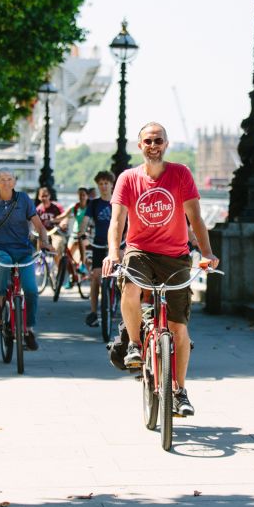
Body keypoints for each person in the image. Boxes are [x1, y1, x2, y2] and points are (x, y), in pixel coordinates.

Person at [102, 123, 219, 417]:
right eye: (148, 141)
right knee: (130, 286)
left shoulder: (180, 174)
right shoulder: (128, 178)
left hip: (176, 256)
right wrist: (113, 253)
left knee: (179, 327)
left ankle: (179, 391)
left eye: (158, 140)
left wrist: (207, 253)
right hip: (139, 252)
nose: (153, 145)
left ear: (166, 144)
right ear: (139, 146)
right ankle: (135, 345)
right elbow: (117, 221)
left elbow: (195, 217)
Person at [0, 169, 51, 350]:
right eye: (2, 179)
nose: (6, 182)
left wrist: (45, 242)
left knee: (31, 290)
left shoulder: (23, 199)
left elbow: (39, 226)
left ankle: (29, 329)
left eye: (9, 179)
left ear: (15, 182)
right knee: (4, 262)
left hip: (23, 250)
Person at [82, 172, 115, 327]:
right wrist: (82, 234)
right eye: (100, 183)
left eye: (106, 183)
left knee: (123, 277)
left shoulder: (119, 202)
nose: (103, 186)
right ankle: (94, 312)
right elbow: (86, 221)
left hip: (117, 244)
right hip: (99, 244)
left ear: (112, 185)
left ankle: (120, 302)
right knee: (96, 276)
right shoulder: (94, 204)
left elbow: (128, 223)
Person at [58, 187, 90, 272]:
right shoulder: (75, 207)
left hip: (85, 235)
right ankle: (72, 275)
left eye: (83, 195)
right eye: (80, 195)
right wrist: (52, 220)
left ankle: (82, 265)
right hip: (74, 234)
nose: (81, 197)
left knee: (81, 243)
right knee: (67, 255)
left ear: (87, 196)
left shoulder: (90, 208)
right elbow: (63, 216)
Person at [35, 186, 66, 271]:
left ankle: (58, 267)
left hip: (55, 231)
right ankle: (40, 264)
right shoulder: (38, 209)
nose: (44, 198)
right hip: (43, 232)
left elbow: (64, 216)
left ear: (49, 196)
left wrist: (63, 223)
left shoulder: (57, 206)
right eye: (42, 196)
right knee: (39, 243)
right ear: (39, 197)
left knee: (57, 246)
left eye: (46, 195)